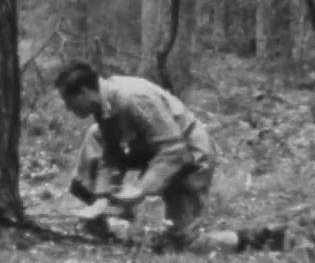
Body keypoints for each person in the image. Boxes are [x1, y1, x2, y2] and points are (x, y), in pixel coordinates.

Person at [55, 60, 217, 251]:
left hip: (190, 156)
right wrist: (103, 196)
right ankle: (109, 220)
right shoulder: (104, 104)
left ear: (83, 92)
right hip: (155, 151)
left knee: (184, 242)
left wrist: (141, 188)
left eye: (69, 101)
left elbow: (174, 147)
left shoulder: (132, 97)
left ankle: (249, 238)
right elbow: (112, 153)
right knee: (94, 134)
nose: (68, 108)